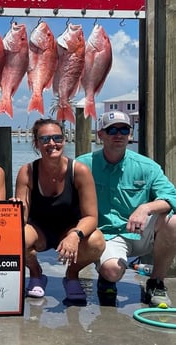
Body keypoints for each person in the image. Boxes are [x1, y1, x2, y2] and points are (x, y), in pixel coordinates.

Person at [77, 111, 176, 307]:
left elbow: (171, 197)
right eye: (111, 129)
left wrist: (146, 207)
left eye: (124, 129)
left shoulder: (147, 167)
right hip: (106, 236)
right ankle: (106, 277)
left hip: (139, 233)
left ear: (130, 134)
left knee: (173, 221)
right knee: (112, 271)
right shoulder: (82, 165)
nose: (118, 134)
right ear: (100, 135)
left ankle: (156, 283)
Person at [14, 118, 104, 302]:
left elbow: (91, 217)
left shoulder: (79, 171)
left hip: (69, 229)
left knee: (96, 242)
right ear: (36, 143)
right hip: (39, 230)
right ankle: (36, 273)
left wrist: (75, 236)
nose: (52, 144)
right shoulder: (27, 171)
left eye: (57, 138)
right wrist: (16, 210)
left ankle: (72, 275)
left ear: (64, 140)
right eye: (45, 139)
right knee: (15, 237)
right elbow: (21, 219)